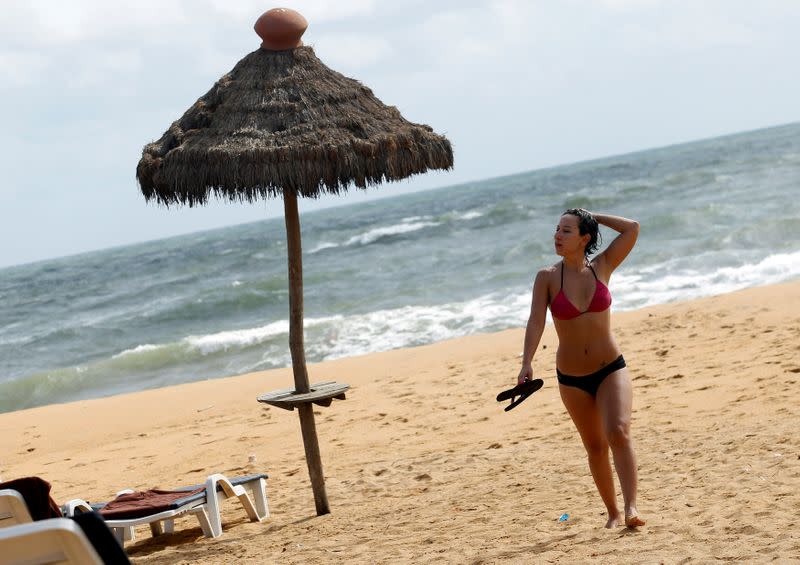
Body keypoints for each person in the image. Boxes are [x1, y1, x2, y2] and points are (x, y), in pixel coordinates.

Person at [517, 208, 645, 528]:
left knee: (618, 430)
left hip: (610, 367)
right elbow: (536, 321)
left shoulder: (603, 265)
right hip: (572, 379)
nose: (557, 236)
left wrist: (594, 216)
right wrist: (527, 362)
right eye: (557, 229)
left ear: (584, 238)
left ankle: (631, 508)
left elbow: (632, 228)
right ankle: (613, 513)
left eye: (567, 231)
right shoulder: (547, 277)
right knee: (595, 446)